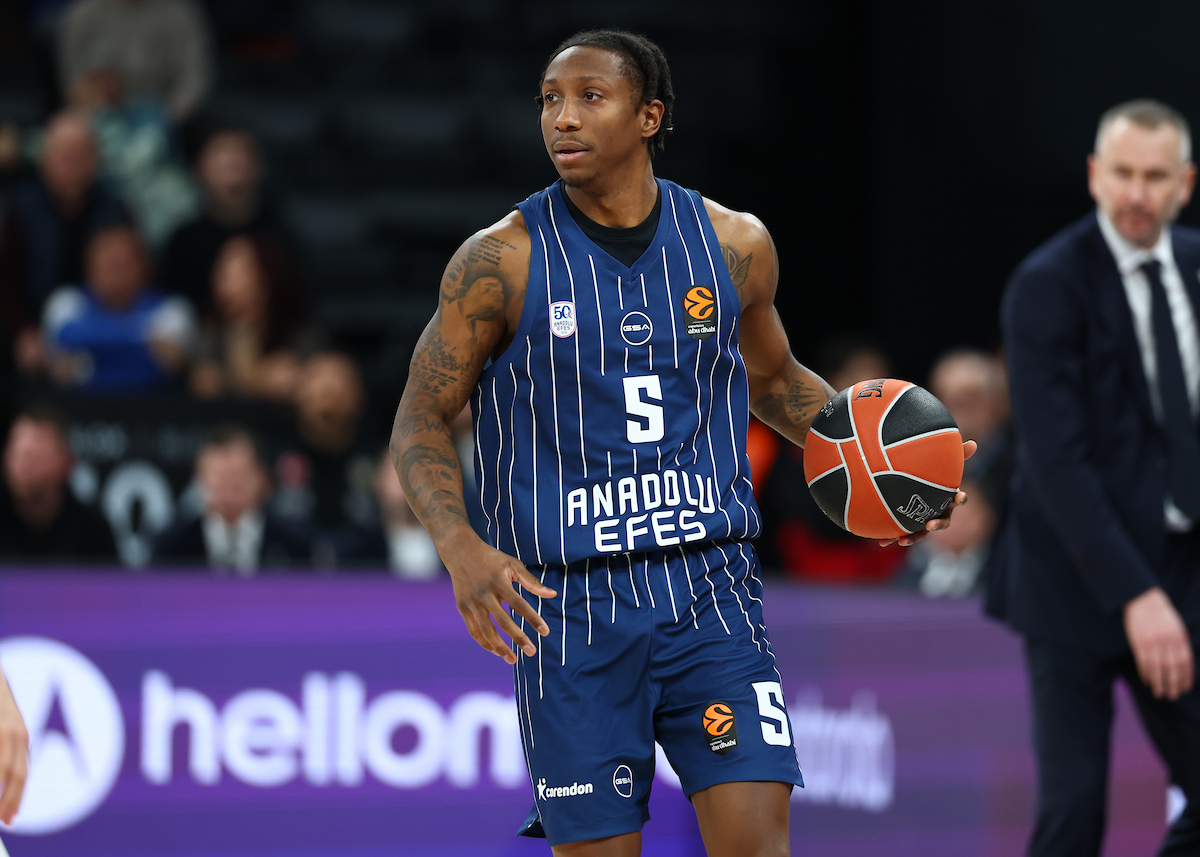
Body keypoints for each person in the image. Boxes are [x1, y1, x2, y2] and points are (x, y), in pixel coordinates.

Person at [390, 29, 972, 856]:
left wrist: (896, 471)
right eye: (550, 100)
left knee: (756, 845)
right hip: (572, 610)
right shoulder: (499, 261)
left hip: (708, 591)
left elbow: (774, 381)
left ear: (650, 115)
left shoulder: (734, 244)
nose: (562, 117)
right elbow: (419, 415)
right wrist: (458, 545)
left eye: (590, 97)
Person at [991, 99, 1200, 856]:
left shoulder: (1195, 265)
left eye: (1155, 177)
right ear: (1093, 175)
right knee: (1073, 813)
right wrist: (1137, 595)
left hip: (1180, 568)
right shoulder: (1048, 283)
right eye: (1123, 173)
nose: (1137, 194)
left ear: (1185, 183)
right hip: (1071, 579)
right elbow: (1057, 463)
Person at [0, 111, 128, 376]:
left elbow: (128, 277)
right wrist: (24, 331)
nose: (73, 166)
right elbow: (6, 280)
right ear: (45, 160)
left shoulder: (113, 209)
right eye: (65, 157)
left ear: (96, 161)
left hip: (100, 327)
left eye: (82, 156)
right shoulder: (21, 209)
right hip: (31, 325)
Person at [42, 224, 196, 393]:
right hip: (79, 406)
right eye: (109, 264)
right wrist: (142, 343)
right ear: (89, 267)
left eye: (124, 264)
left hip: (152, 404)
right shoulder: (67, 303)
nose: (117, 274)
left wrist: (89, 356)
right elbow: (59, 358)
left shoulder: (171, 308)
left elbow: (171, 362)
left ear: (144, 266)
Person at [158, 129, 290, 316]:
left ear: (257, 168)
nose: (232, 176)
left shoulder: (280, 237)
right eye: (222, 164)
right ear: (198, 170)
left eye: (238, 163)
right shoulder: (184, 242)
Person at [153, 424, 311, 572]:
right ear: (198, 479)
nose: (228, 488)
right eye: (218, 478)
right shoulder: (172, 548)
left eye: (236, 477)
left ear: (262, 478)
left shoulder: (296, 547)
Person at [189, 234, 322, 402]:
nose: (222, 280)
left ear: (265, 277)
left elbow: (312, 378)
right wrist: (256, 379)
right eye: (221, 270)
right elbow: (205, 382)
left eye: (235, 272)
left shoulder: (297, 327)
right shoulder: (211, 329)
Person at [57, 0, 213, 124]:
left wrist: (164, 118)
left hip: (169, 119)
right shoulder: (81, 16)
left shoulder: (180, 15)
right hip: (99, 118)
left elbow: (193, 82)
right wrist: (103, 116)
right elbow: (75, 83)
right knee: (67, 133)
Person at [0, 403, 117, 562]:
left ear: (66, 463)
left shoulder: (91, 531)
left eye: (36, 457)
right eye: (16, 454)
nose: (22, 466)